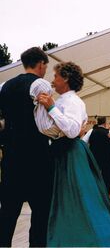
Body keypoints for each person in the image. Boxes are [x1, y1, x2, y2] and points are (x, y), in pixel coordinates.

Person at [37, 62, 110, 246]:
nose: (53, 80)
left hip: (69, 153)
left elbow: (71, 130)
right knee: (65, 201)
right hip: (60, 151)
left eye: (56, 76)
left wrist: (51, 108)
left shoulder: (74, 102)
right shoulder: (62, 100)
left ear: (66, 78)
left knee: (78, 201)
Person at [0, 47, 52, 247]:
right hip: (37, 158)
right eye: (45, 66)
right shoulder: (40, 85)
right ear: (41, 64)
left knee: (8, 212)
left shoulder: (5, 86)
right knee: (40, 213)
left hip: (11, 157)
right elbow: (46, 123)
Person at [82, 116, 110, 193]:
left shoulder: (91, 131)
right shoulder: (109, 132)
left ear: (97, 122)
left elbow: (83, 141)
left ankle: (93, 193)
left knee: (93, 175)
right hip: (106, 158)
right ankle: (106, 194)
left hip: (94, 157)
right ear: (105, 123)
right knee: (107, 176)